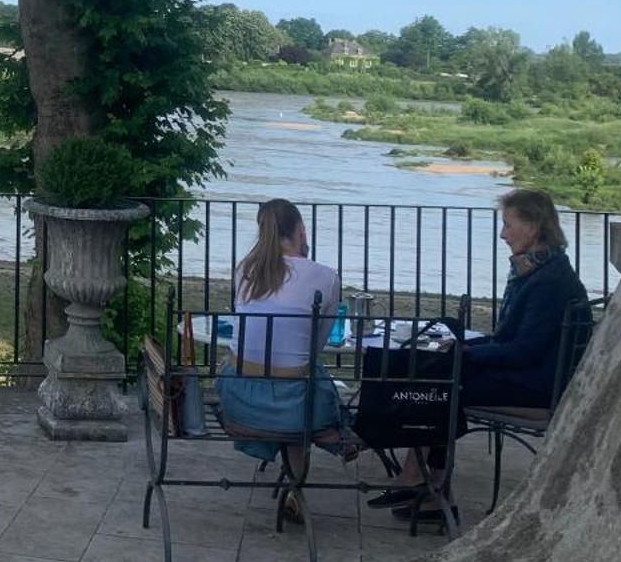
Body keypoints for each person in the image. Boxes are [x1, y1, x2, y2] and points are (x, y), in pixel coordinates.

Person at [373, 186, 592, 525]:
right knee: (438, 377)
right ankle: (426, 488)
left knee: (441, 387)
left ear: (532, 228)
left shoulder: (547, 282)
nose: (503, 234)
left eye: (508, 224)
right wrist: (461, 349)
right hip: (528, 375)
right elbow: (510, 340)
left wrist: (464, 355)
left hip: (535, 386)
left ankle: (422, 484)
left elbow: (523, 351)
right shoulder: (539, 271)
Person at [215, 199, 350, 523]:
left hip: (241, 403)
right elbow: (317, 346)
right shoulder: (326, 277)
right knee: (307, 382)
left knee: (286, 383)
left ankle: (301, 478)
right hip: (297, 408)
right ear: (301, 230)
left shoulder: (244, 270)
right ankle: (309, 471)